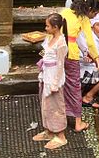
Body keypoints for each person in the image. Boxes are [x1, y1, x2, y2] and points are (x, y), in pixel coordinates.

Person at [59, 0, 99, 133]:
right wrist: (95, 57)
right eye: (94, 13)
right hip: (70, 54)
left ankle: (59, 114)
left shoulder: (64, 12)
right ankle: (78, 122)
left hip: (56, 52)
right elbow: (89, 41)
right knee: (74, 86)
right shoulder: (83, 18)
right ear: (89, 9)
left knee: (60, 83)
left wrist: (86, 53)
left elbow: (74, 38)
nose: (93, 16)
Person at [33, 13, 68, 150]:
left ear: (55, 27)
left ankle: (60, 135)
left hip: (54, 77)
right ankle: (49, 130)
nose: (45, 28)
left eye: (48, 26)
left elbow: (60, 64)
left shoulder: (61, 43)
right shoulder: (49, 38)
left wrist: (55, 83)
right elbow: (45, 53)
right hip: (46, 74)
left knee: (57, 106)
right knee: (46, 104)